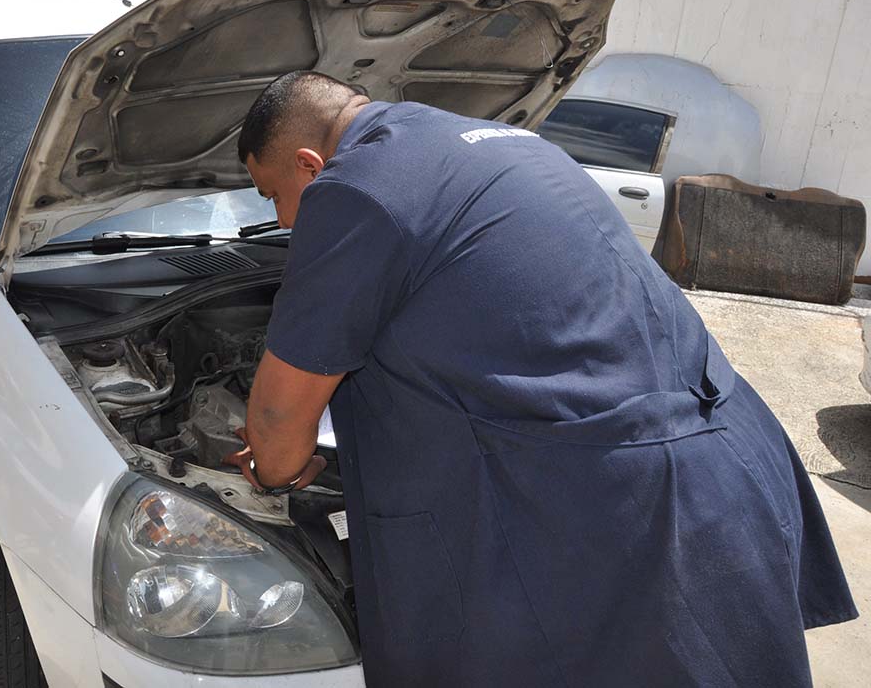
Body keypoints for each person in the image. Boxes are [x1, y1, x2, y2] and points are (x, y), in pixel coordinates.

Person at [229, 71, 857, 686]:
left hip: (613, 508)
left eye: (272, 196)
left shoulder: (357, 186)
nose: (284, 222)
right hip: (725, 452)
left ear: (311, 166)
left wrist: (274, 472)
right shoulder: (505, 141)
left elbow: (281, 420)